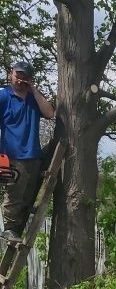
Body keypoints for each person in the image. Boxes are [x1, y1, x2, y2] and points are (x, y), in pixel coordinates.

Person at [0, 60, 55, 243]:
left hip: (33, 155)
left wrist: (33, 89)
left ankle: (16, 229)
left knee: (28, 194)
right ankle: (8, 229)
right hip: (11, 156)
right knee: (14, 194)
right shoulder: (4, 96)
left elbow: (49, 113)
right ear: (11, 73)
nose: (19, 81)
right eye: (17, 76)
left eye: (24, 78)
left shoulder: (33, 98)